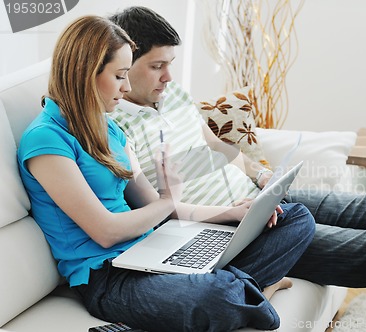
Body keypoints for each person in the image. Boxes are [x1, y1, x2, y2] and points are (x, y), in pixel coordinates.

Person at [109, 6, 366, 297]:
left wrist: (263, 176)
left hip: (257, 200)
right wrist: (234, 215)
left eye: (171, 63)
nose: (169, 76)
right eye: (157, 66)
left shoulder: (172, 94)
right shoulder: (114, 127)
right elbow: (157, 213)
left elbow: (214, 146)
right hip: (226, 229)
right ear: (124, 64)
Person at [17, 15, 317, 332]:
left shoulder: (110, 129)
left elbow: (161, 207)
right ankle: (259, 290)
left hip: (155, 249)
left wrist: (231, 213)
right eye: (120, 76)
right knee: (217, 294)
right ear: (85, 74)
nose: (128, 86)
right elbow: (106, 231)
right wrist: (166, 199)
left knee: (295, 218)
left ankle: (238, 291)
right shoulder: (46, 140)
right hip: (109, 276)